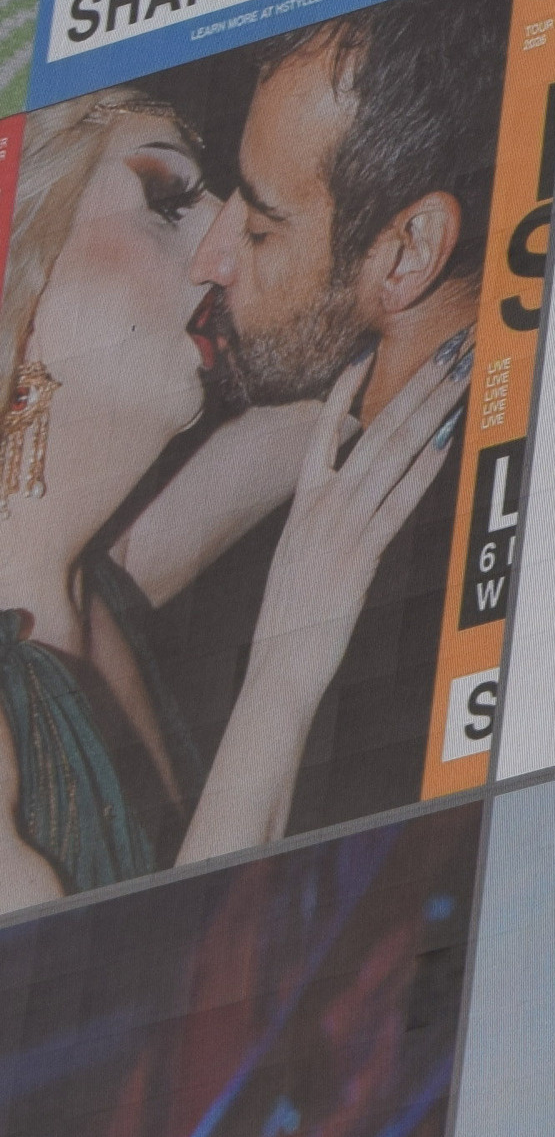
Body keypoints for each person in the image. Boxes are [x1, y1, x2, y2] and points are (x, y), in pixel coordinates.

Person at [0, 85, 467, 901]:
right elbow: (141, 1030)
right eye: (169, 200)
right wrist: (286, 664)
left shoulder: (109, 574)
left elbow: (410, 353)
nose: (224, 241)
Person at [141, 0, 512, 834]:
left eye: (263, 226)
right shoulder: (296, 451)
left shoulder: (398, 614)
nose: (213, 255)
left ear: (409, 252)